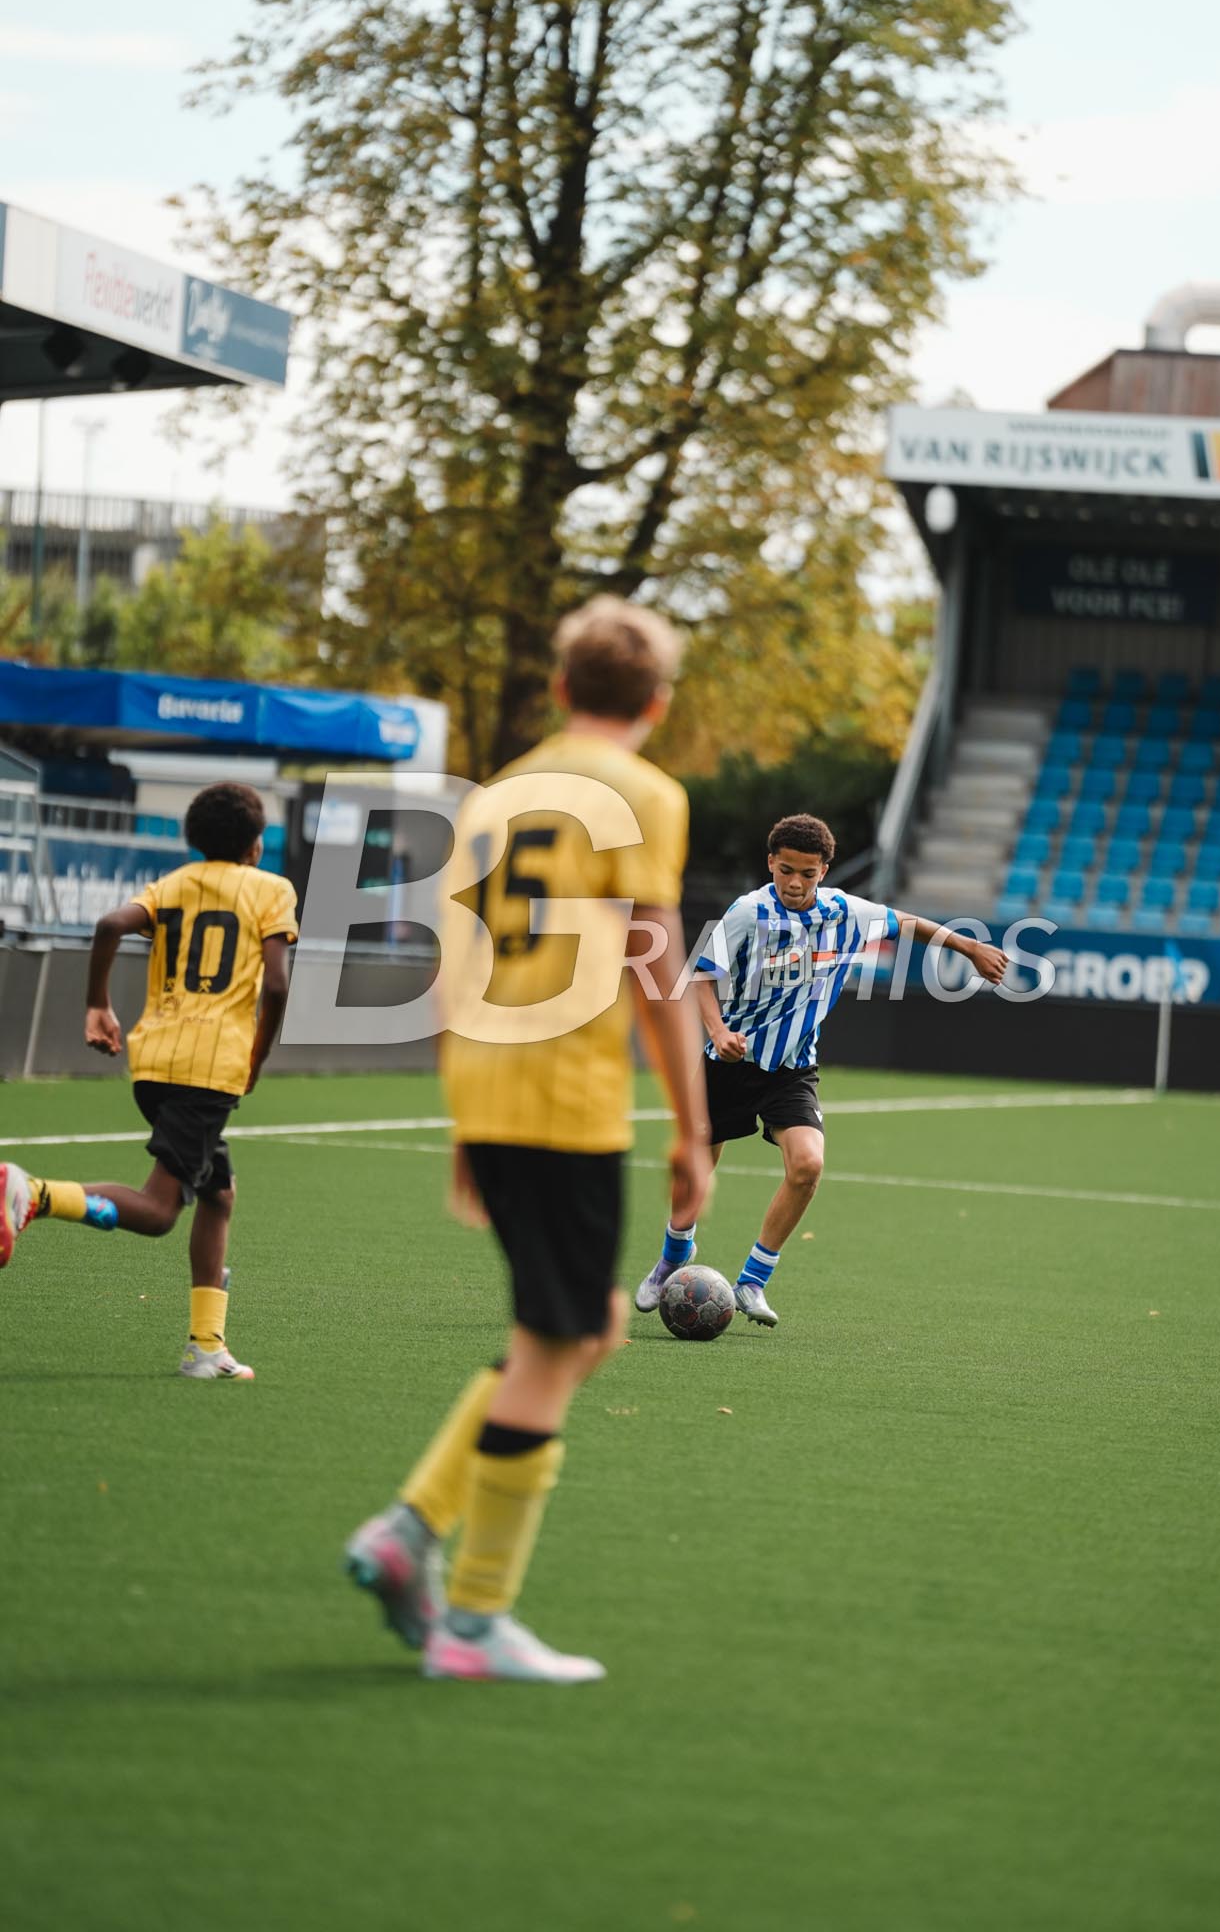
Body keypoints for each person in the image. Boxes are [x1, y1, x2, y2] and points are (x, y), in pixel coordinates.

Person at [345, 596, 711, 1687]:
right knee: (560, 1341)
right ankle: (472, 1611)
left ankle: (413, 1527)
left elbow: (454, 961)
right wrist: (693, 1128)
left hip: (494, 1083)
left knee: (588, 1320)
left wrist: (464, 1112)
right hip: (567, 1098)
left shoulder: (497, 792)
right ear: (656, 702)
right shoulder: (648, 793)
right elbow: (658, 970)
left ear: (558, 690)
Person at [633, 812, 1008, 1328]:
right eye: (785, 869)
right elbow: (701, 979)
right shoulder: (747, 912)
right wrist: (719, 1033)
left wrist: (968, 947)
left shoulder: (845, 911)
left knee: (807, 1166)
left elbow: (908, 923)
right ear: (770, 863)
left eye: (807, 873)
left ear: (824, 871)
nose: (794, 882)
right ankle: (672, 1258)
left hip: (793, 1067)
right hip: (729, 1062)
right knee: (695, 1169)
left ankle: (752, 1282)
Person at [0, 782, 297, 1380]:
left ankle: (206, 1347)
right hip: (210, 1069)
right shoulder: (272, 890)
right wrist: (258, 1059)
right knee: (161, 1211)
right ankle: (31, 1194)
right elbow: (276, 985)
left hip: (155, 1062)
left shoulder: (174, 885)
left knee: (218, 1194)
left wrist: (96, 1005)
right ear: (255, 844)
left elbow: (110, 924)